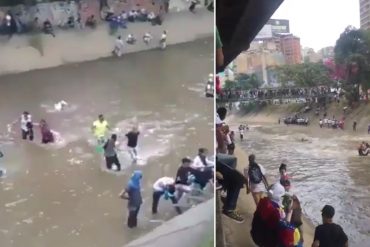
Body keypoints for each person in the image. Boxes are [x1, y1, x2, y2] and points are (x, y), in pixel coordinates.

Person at [251, 182, 301, 247]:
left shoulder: (263, 201)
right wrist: (289, 212)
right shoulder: (275, 213)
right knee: (296, 243)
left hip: (255, 233)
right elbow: (286, 230)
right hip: (264, 240)